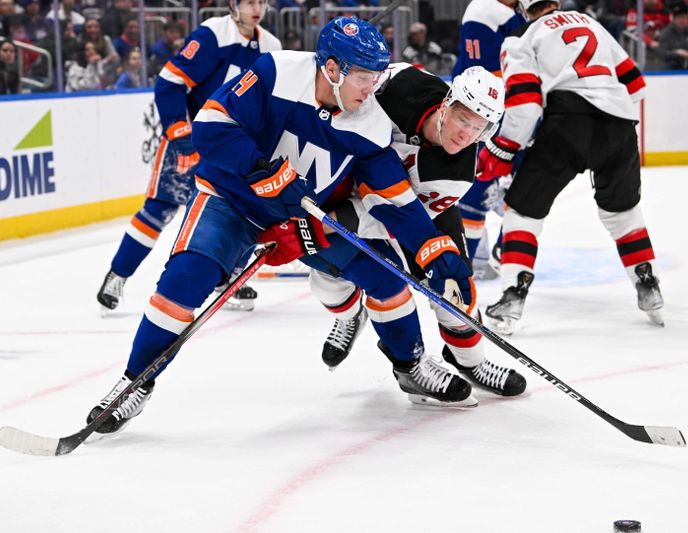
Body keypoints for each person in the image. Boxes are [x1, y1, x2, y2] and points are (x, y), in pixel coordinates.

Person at [86, 17, 478, 434]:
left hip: (303, 215)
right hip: (231, 199)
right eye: (363, 77)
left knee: (388, 279)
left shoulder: (370, 122)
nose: (372, 88)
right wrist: (261, 170)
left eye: (376, 76)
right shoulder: (276, 71)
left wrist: (433, 248)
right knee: (184, 280)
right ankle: (134, 384)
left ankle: (411, 365)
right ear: (331, 69)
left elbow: (396, 200)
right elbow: (211, 126)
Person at [305, 64, 527, 398]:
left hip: (415, 214)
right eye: (463, 120)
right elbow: (354, 89)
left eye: (479, 129)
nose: (467, 135)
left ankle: (471, 361)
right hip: (348, 183)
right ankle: (350, 313)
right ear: (447, 103)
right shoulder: (404, 83)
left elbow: (399, 220)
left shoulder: (456, 174)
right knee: (326, 276)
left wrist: (347, 217)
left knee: (456, 291)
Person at [484, 0, 665, 334]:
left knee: (522, 213)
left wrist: (502, 148)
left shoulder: (521, 36)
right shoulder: (589, 21)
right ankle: (648, 285)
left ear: (524, 8)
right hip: (620, 126)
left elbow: (525, 106)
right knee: (623, 214)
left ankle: (512, 296)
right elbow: (636, 86)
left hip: (568, 124)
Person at [96, 0, 281, 314]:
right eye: (250, 1)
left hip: (234, 147)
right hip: (193, 139)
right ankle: (117, 275)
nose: (257, 8)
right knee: (158, 209)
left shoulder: (271, 46)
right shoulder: (212, 34)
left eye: (261, 1)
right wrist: (180, 134)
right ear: (234, 4)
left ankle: (228, 278)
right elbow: (170, 82)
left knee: (241, 213)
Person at [451, 0, 526, 280]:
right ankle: (470, 257)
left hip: (514, 111)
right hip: (484, 112)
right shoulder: (484, 11)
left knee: (522, 186)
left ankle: (492, 248)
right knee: (478, 185)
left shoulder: (518, 12)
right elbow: (484, 78)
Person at [657, 3, 688, 69]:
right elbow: (662, 53)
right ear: (673, 19)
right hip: (671, 67)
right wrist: (676, 53)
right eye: (679, 17)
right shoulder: (665, 33)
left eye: (684, 17)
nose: (682, 20)